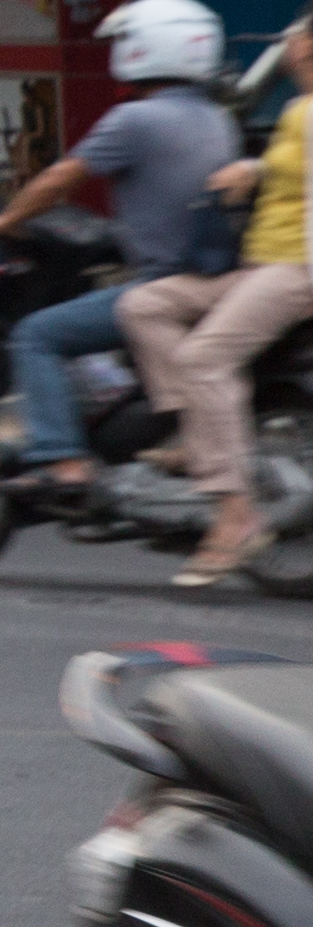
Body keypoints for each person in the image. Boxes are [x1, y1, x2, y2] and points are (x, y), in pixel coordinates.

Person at [0, 0, 235, 494]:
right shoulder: (217, 118)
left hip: (162, 283)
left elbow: (59, 180)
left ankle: (62, 458)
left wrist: (7, 219)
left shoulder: (133, 120)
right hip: (213, 279)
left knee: (36, 334)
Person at [131, 66, 313, 590]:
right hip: (259, 265)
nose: (295, 46)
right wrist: (255, 169)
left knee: (203, 359)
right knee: (144, 305)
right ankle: (196, 434)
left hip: (294, 272)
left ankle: (236, 515)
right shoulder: (297, 109)